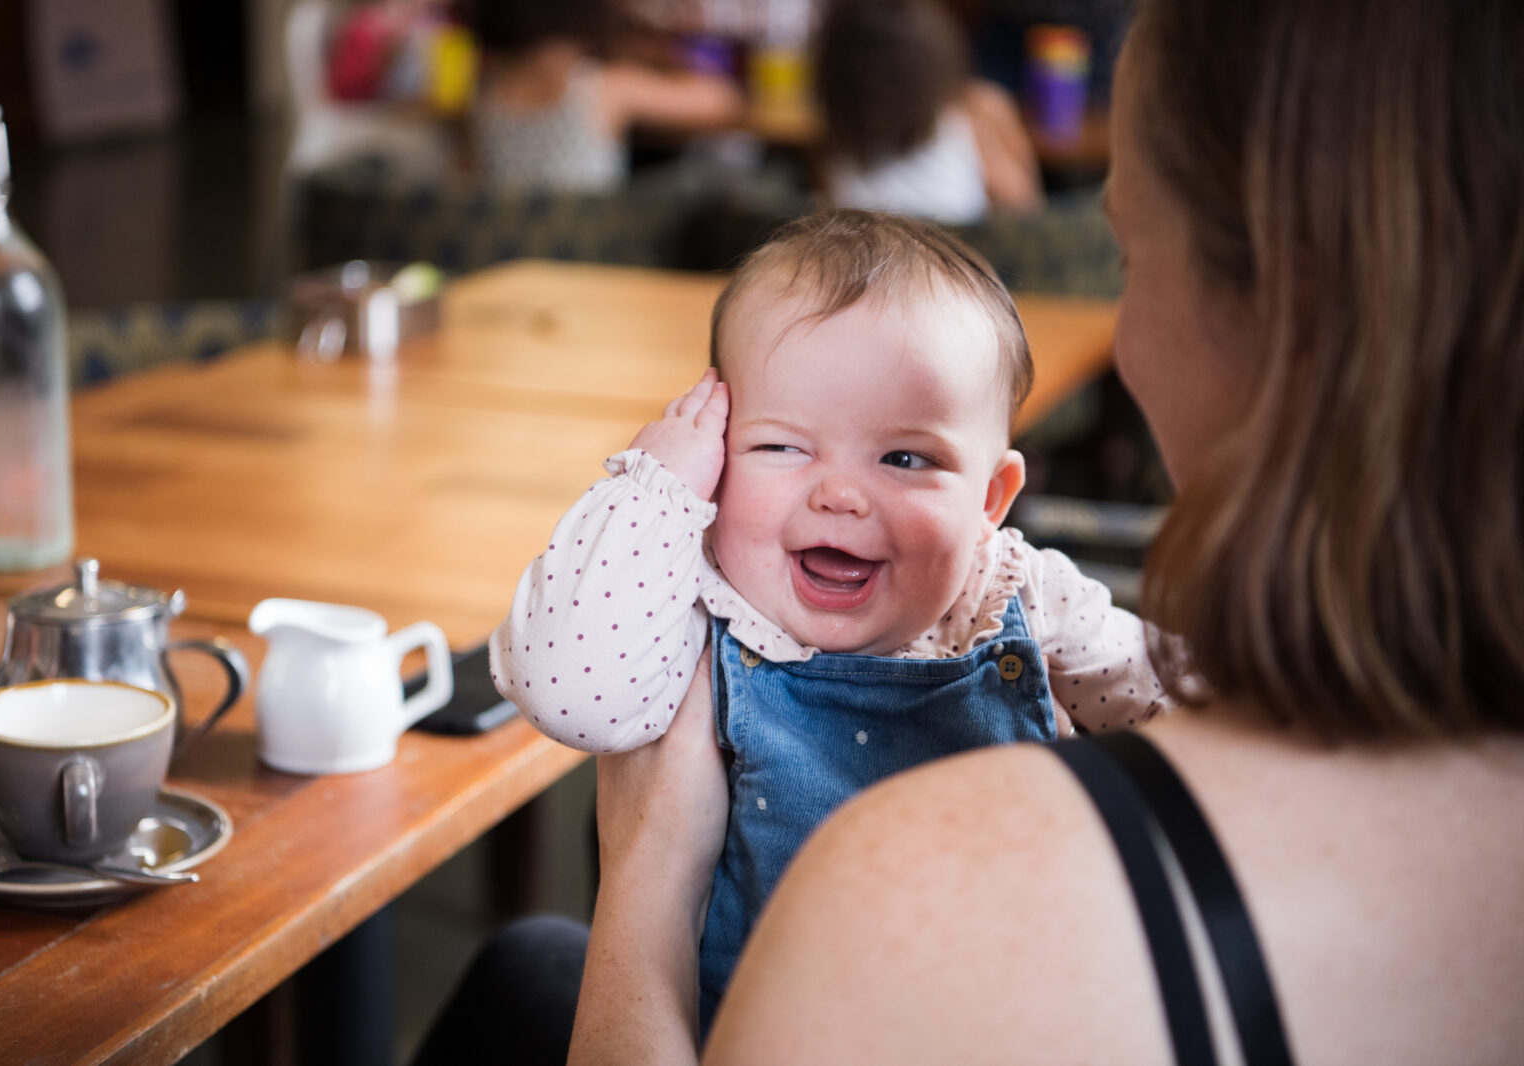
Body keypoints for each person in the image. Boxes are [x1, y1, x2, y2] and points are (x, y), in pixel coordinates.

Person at [563, 1, 1524, 1062]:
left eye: (1122, 252)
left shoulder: (909, 888)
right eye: (785, 446)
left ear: (1276, 315)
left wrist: (646, 873)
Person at [490, 208, 1167, 1032]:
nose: (839, 495)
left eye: (906, 459)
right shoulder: (699, 602)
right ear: (719, 446)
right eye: (782, 447)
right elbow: (568, 693)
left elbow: (1194, 709)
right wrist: (655, 488)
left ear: (991, 501)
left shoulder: (1010, 590)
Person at [468, 0, 744, 191]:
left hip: (511, 252)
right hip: (592, 249)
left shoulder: (488, 90)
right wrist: (669, 56)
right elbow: (721, 99)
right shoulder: (600, 86)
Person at [813, 0, 1045, 223]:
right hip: (962, 255)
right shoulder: (975, 111)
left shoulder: (834, 144)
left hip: (874, 260)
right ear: (939, 52)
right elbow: (1025, 214)